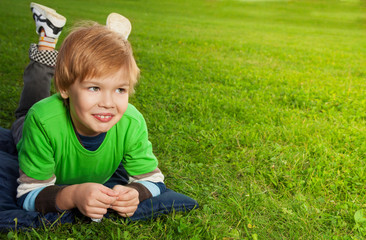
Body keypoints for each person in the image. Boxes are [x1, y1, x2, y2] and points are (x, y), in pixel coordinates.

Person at [12, 2, 198, 222]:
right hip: (33, 124)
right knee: (30, 106)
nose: (108, 103)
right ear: (65, 89)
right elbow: (28, 194)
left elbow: (153, 180)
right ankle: (47, 38)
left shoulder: (131, 122)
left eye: (120, 89)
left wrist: (135, 193)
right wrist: (73, 195)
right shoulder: (42, 121)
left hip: (65, 112)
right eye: (94, 88)